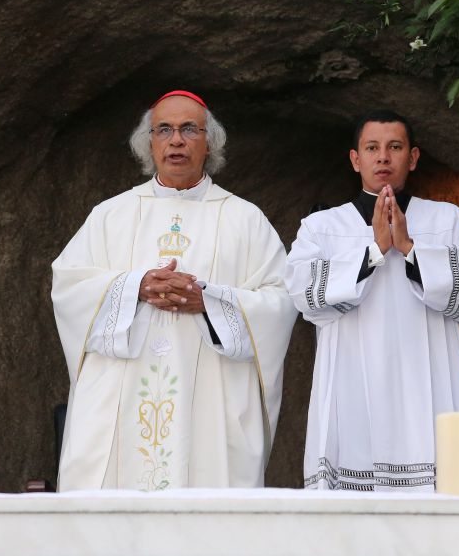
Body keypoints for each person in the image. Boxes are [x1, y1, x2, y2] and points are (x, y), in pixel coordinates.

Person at [52, 90, 296, 491]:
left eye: (188, 129)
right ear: (149, 142)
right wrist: (134, 287)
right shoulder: (110, 215)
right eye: (164, 129)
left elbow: (281, 301)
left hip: (210, 409)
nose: (176, 140)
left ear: (209, 142)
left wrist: (210, 302)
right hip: (122, 397)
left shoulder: (245, 219)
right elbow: (68, 290)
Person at [286, 110, 459, 491]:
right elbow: (303, 292)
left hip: (426, 374)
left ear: (412, 158)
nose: (383, 157)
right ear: (356, 159)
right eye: (372, 148)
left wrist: (411, 249)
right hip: (350, 381)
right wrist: (375, 251)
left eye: (394, 147)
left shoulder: (448, 219)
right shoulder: (322, 227)